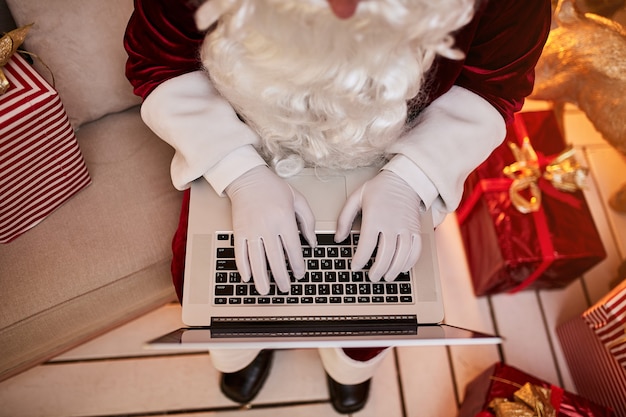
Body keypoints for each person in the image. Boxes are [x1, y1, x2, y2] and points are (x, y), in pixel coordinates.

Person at [124, 0, 551, 413]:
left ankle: (350, 366)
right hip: (239, 145)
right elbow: (158, 62)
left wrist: (411, 178)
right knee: (227, 290)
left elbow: (493, 86)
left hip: (391, 161)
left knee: (379, 300)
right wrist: (240, 173)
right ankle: (243, 352)